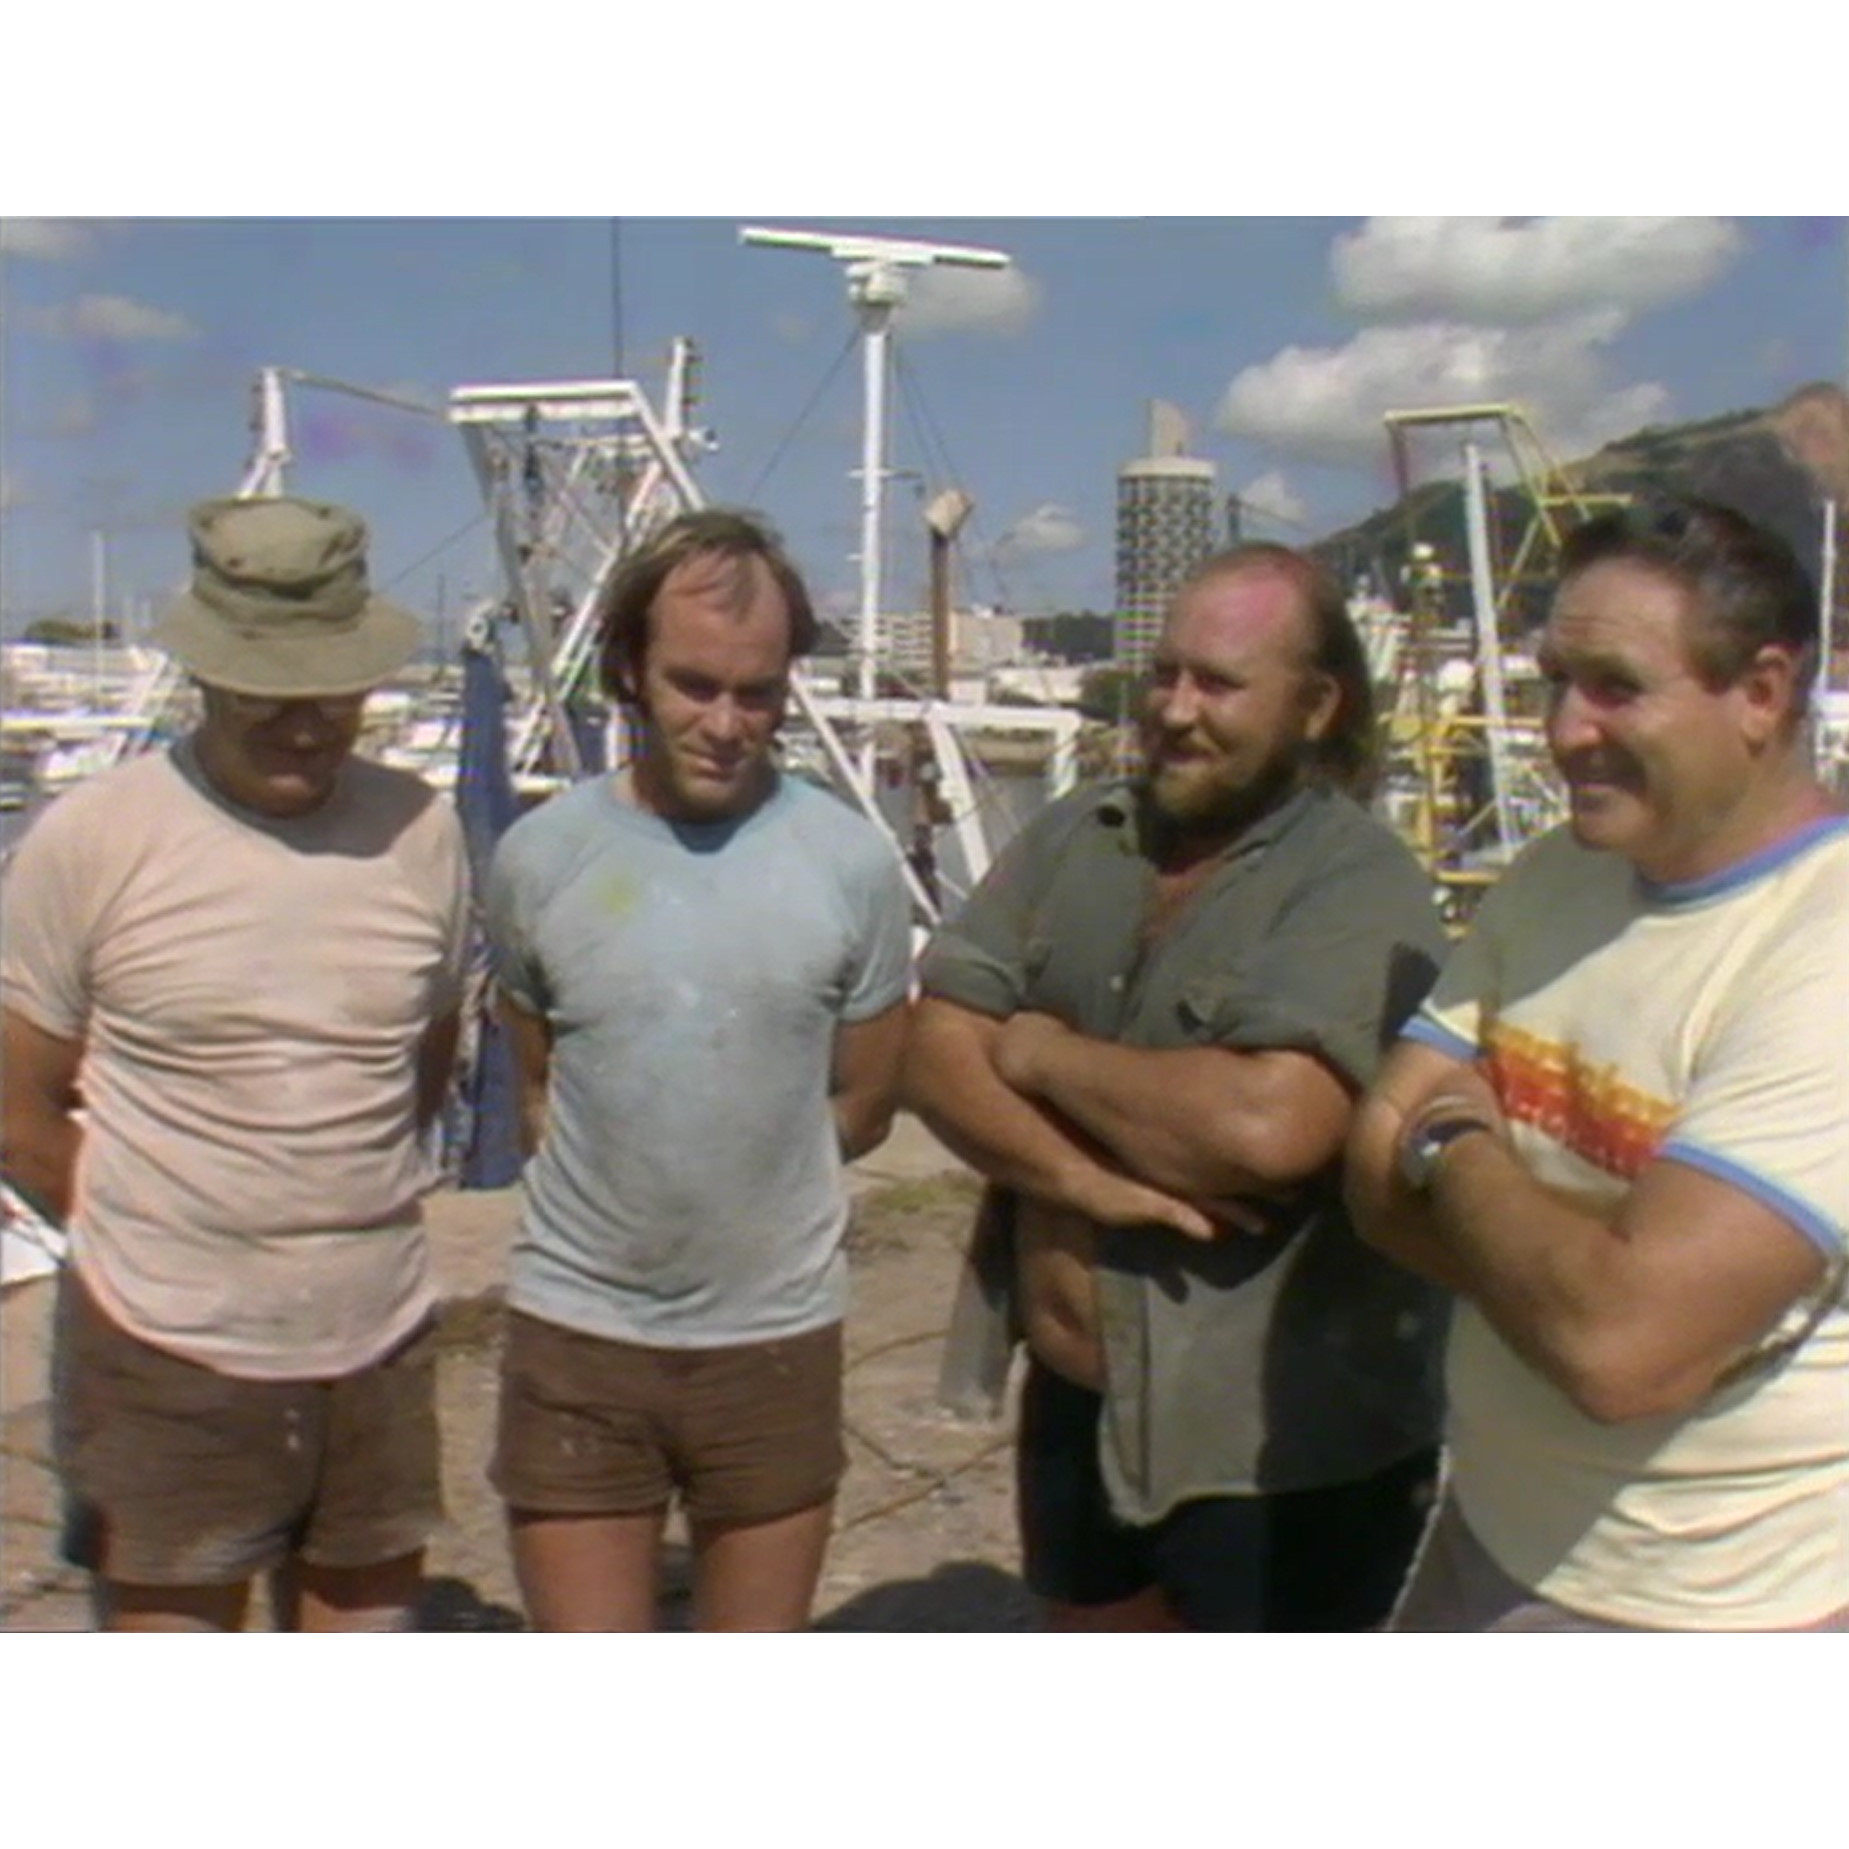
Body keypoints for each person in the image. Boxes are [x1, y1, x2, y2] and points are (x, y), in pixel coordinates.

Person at [906, 543, 1450, 1631]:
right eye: (1165, 674)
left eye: (1218, 683)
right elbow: (928, 1050)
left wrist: (1039, 1051)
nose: (1176, 708)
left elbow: (1264, 1128)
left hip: (1271, 1445)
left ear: (1315, 703)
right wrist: (1080, 1178)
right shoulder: (1080, 833)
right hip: (1077, 1399)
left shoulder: (1355, 880)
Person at [1346, 496, 1849, 1632]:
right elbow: (1369, 1173)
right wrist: (1568, 1283)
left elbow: (1621, 1354)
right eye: (1552, 683)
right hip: (1488, 1532)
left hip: (1716, 1606)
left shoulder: (1824, 946)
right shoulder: (1554, 879)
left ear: (1761, 694)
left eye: (1616, 685)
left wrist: (1458, 1141)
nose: (1564, 728)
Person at [0, 495, 469, 1632]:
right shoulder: (94, 836)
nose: (307, 724)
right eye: (270, 690)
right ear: (208, 676)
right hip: (161, 1345)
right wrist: (153, 1221)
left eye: (334, 688)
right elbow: (16, 1100)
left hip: (379, 1335)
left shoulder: (424, 831)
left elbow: (422, 1060)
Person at [483, 508, 912, 1631]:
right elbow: (538, 1075)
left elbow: (865, 1098)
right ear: (628, 669)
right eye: (691, 685)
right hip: (577, 1334)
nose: (725, 723)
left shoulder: (850, 864)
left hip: (773, 1340)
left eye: (756, 692)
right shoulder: (540, 858)